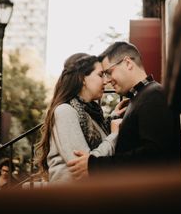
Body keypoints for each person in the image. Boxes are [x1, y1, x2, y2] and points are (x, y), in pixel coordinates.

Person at [67, 41, 181, 180]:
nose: (107, 81)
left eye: (108, 72)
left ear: (127, 63)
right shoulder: (140, 97)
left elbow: (154, 156)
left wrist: (95, 166)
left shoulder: (154, 95)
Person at [36, 53, 123, 183]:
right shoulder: (65, 111)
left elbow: (94, 154)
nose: (106, 81)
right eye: (100, 75)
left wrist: (113, 118)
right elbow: (84, 168)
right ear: (82, 78)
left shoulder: (90, 115)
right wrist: (114, 135)